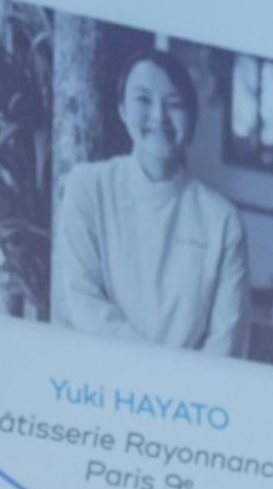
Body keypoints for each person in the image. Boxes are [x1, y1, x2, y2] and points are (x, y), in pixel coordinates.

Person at [54, 49, 251, 358]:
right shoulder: (88, 186)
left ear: (192, 117)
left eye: (174, 104)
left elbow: (226, 344)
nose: (159, 116)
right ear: (121, 108)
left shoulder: (222, 220)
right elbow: (83, 301)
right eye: (143, 100)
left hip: (188, 397)